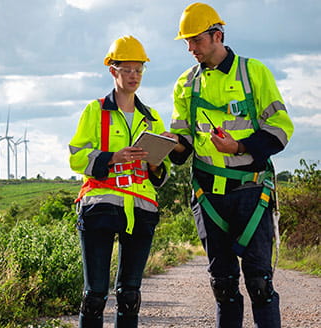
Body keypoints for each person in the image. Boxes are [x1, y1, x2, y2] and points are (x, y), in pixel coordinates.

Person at [164, 3, 294, 328]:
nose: (190, 48)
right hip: (208, 198)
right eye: (186, 42)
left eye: (195, 40)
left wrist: (239, 147)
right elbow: (184, 146)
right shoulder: (185, 84)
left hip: (251, 193)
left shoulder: (254, 73)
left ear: (217, 35)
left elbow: (280, 129)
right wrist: (169, 143)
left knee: (260, 285)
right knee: (223, 287)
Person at [68, 35, 171, 328]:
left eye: (138, 69)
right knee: (95, 295)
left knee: (130, 295)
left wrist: (154, 163)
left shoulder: (152, 118)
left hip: (142, 208)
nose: (134, 76)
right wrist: (113, 157)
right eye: (127, 69)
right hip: (100, 205)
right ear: (113, 71)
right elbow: (76, 157)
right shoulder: (95, 110)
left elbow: (161, 173)